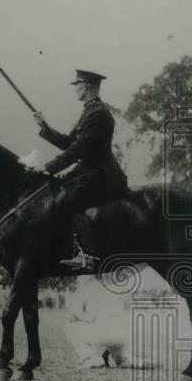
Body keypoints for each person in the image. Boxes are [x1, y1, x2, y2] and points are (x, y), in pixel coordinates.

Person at [29, 69, 128, 273]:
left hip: (101, 174)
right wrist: (44, 126)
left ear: (88, 86)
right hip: (89, 172)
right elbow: (68, 142)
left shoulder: (99, 114)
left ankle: (89, 256)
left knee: (66, 200)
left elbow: (77, 150)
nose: (75, 89)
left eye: (78, 85)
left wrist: (47, 167)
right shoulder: (89, 112)